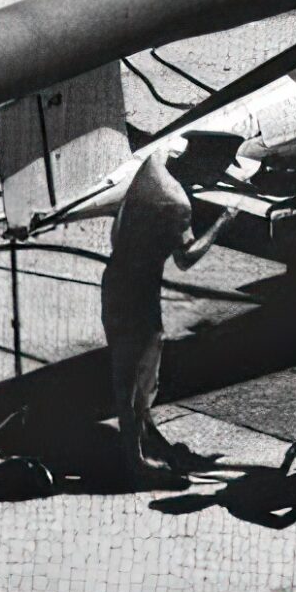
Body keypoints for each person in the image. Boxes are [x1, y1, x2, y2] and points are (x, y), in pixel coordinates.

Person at [100, 137, 199, 488]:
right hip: (136, 297)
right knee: (134, 380)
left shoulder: (150, 180)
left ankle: (151, 442)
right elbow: (186, 258)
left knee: (136, 378)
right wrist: (225, 222)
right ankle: (135, 462)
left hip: (120, 286)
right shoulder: (176, 201)